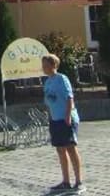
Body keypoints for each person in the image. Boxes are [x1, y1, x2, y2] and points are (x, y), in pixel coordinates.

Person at [42, 53, 83, 192]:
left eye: (46, 65)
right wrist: (49, 117)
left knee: (70, 148)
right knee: (60, 149)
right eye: (43, 65)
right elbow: (47, 102)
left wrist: (68, 116)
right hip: (55, 119)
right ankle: (66, 181)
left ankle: (79, 181)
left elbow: (69, 98)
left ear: (53, 65)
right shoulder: (47, 82)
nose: (44, 68)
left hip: (66, 118)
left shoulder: (62, 79)